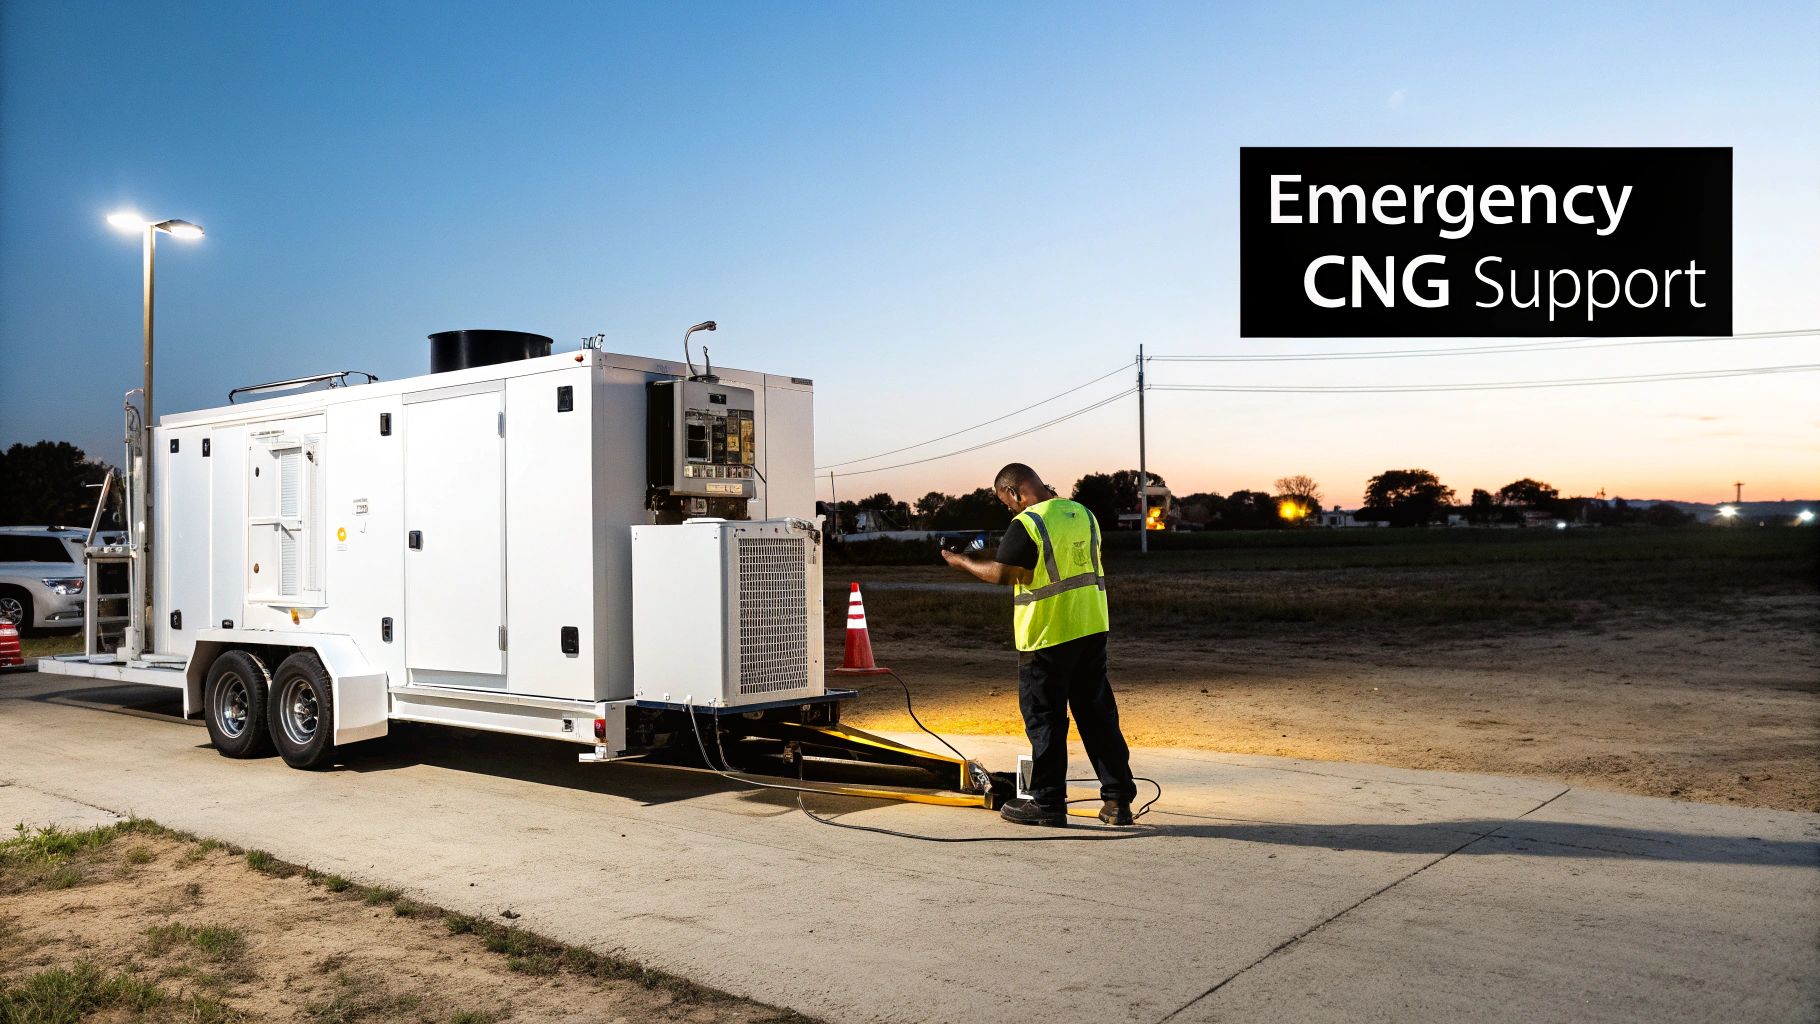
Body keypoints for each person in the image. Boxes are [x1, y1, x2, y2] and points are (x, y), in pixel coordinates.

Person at [940, 463, 1137, 826]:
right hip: (1092, 628)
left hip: (1046, 636)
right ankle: (1118, 801)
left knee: (1045, 720)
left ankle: (1047, 803)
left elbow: (1003, 573)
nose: (1009, 509)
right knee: (1098, 718)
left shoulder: (1029, 523)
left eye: (1006, 502)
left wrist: (962, 561)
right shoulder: (1083, 514)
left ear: (1014, 492)